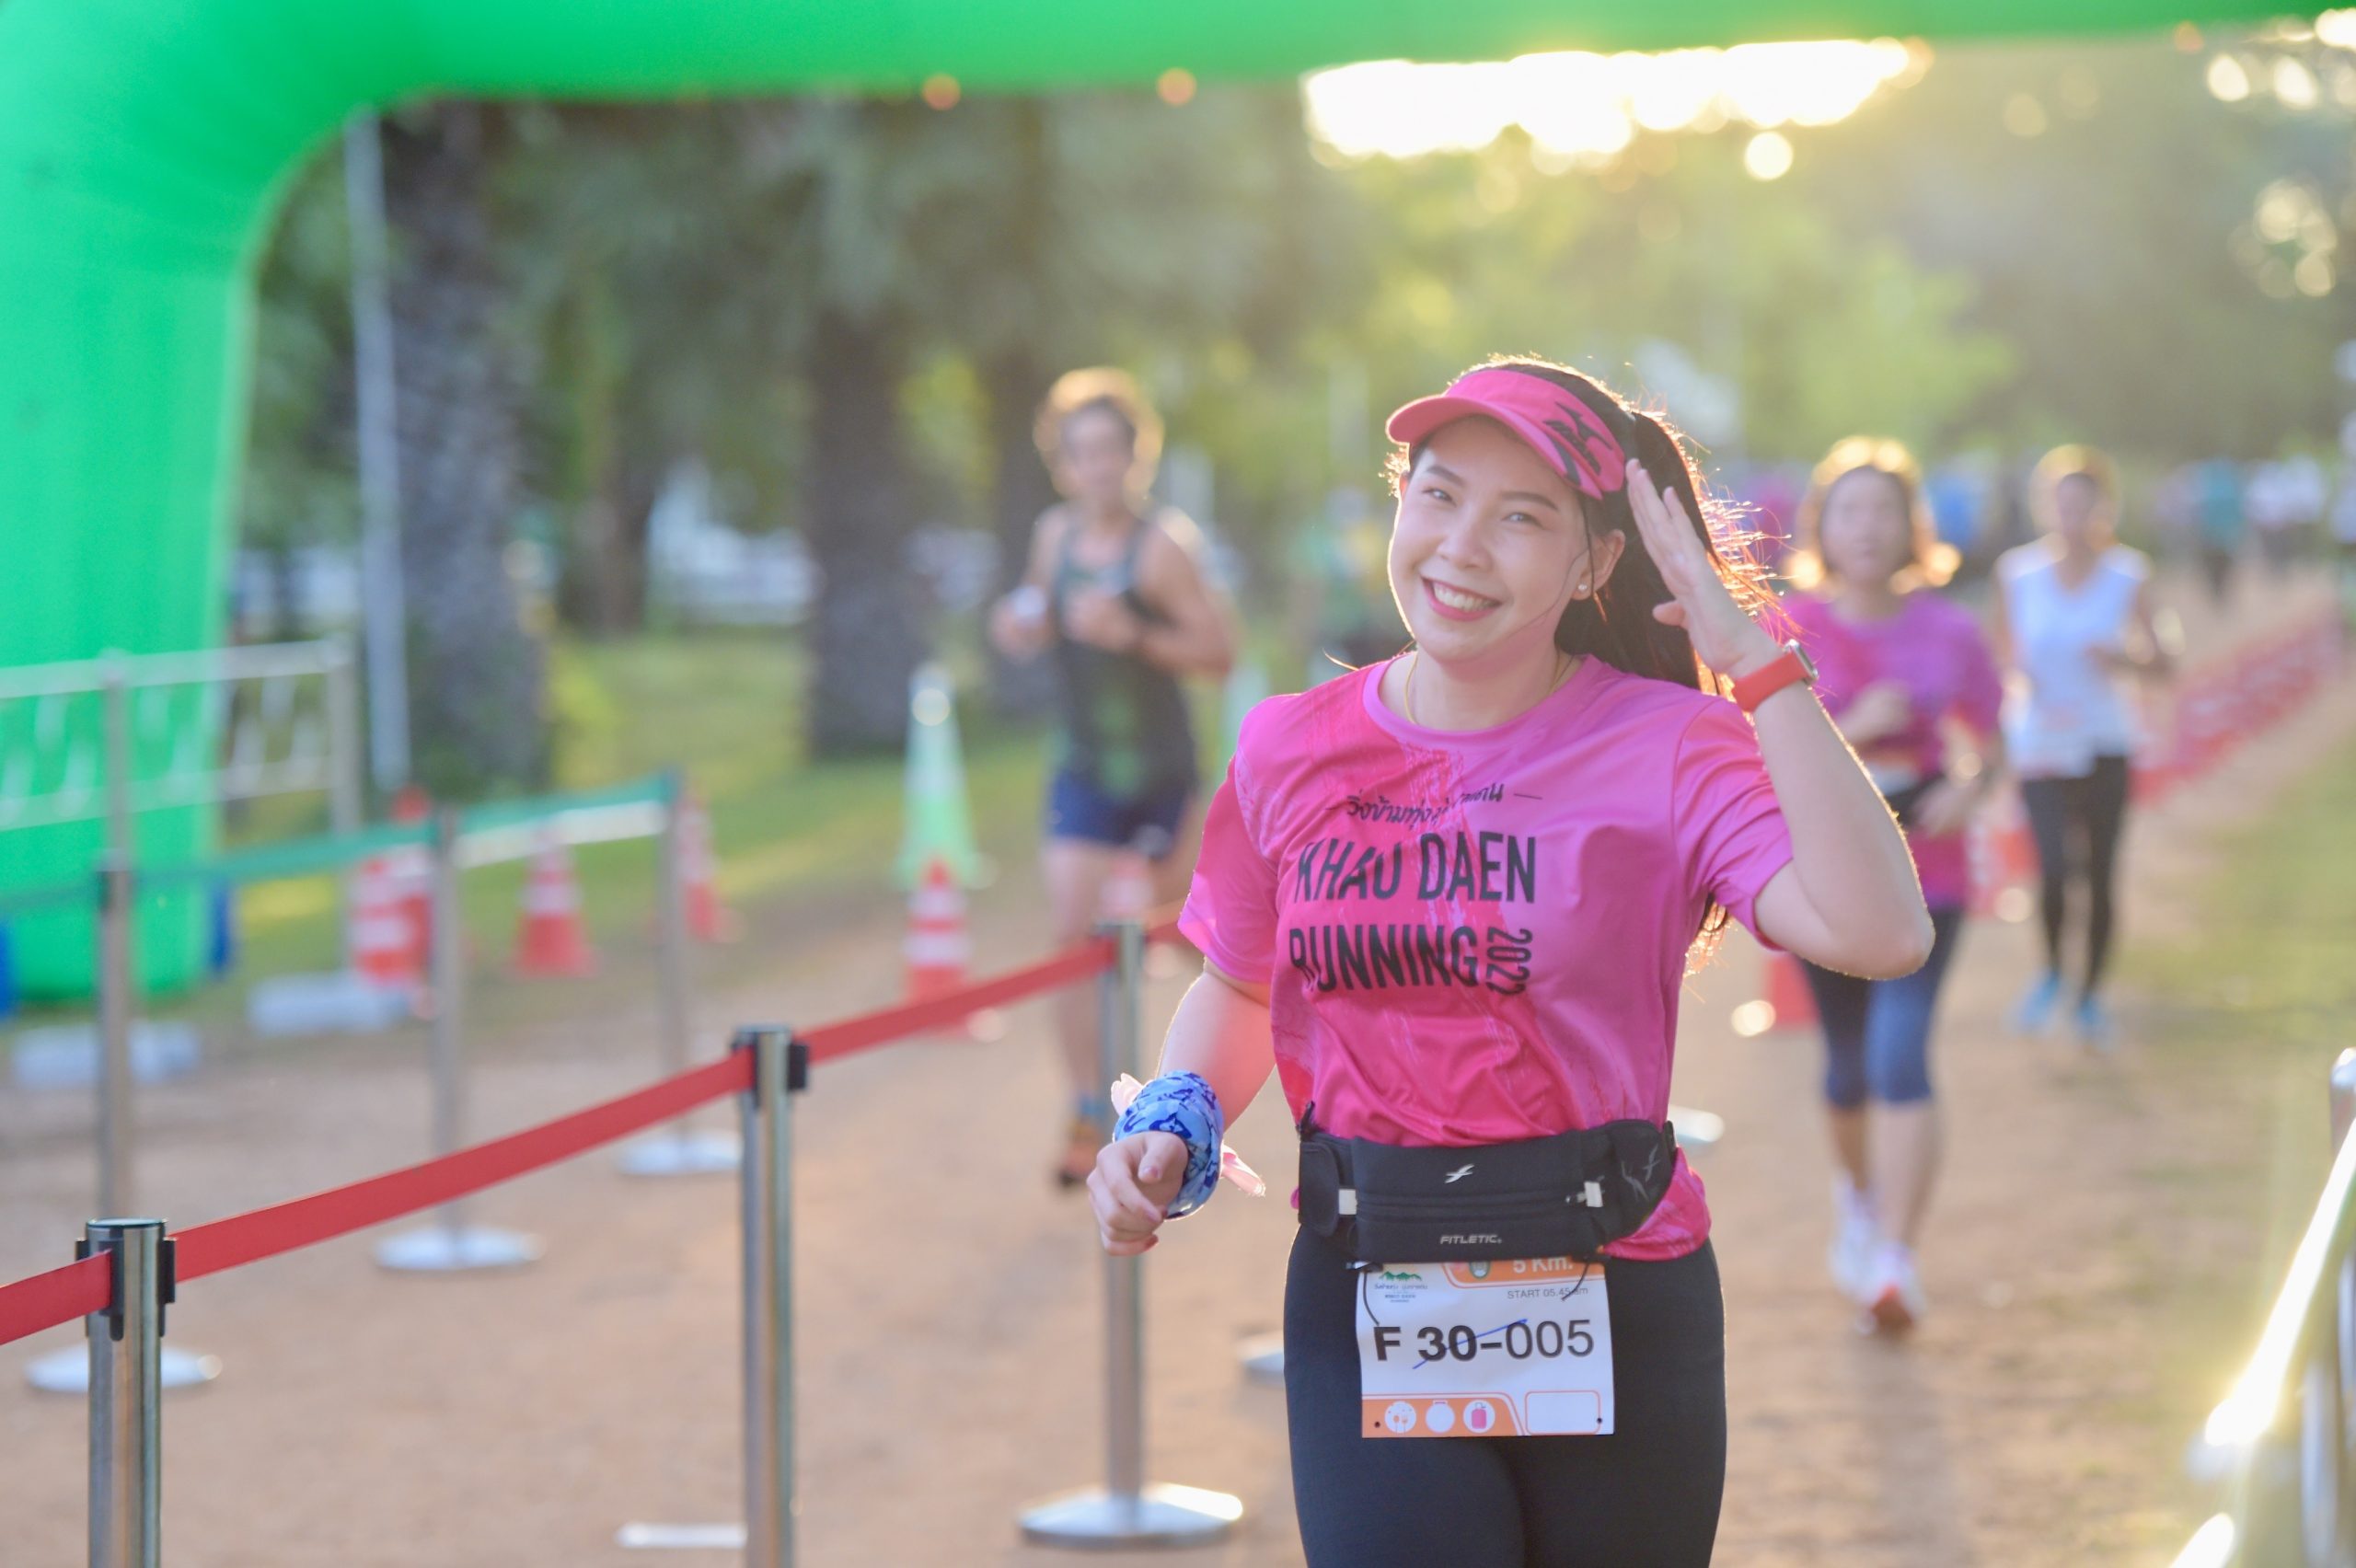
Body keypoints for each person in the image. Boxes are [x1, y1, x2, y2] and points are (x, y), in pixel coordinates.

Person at [1087, 358, 1932, 1568]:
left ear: (1595, 562)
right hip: (1369, 1277)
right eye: (1438, 495)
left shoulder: (1672, 742)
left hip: (1618, 1281)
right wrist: (1175, 1118)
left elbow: (1880, 931)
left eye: (1522, 517)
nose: (1462, 547)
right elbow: (1241, 983)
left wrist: (1753, 657)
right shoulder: (1289, 748)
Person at [1780, 439, 2007, 1332]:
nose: (1867, 529)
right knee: (1845, 1068)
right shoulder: (1788, 628)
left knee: (1898, 1054)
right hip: (1824, 874)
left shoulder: (1950, 630)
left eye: (1884, 512)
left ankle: (1894, 1260)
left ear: (1913, 528)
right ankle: (1860, 1197)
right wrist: (1851, 725)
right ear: (1822, 529)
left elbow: (1995, 738)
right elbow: (1751, 744)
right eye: (1850, 512)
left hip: (1927, 868)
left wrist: (1970, 788)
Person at [989, 368, 1237, 1188]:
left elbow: (1219, 654)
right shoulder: (1054, 537)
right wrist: (1018, 623)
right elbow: (1034, 607)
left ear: (1137, 457)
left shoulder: (1162, 548)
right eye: (1080, 452)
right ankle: (1087, 1107)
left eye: (1110, 450)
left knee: (1178, 938)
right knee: (1072, 937)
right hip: (1084, 767)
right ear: (1061, 464)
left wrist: (1133, 634)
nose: (1096, 466)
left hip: (1163, 771)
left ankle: (1201, 1092)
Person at [1990, 445, 2172, 1049]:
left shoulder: (2128, 573)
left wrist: (2124, 658)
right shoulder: (2017, 573)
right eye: (2060, 503)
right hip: (2041, 739)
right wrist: (2018, 678)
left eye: (2082, 504)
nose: (2071, 514)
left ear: (2102, 508)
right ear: (2045, 506)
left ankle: (2090, 996)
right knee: (2050, 868)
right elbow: (2000, 655)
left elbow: (2164, 663)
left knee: (2099, 872)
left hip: (2103, 741)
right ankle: (2049, 974)